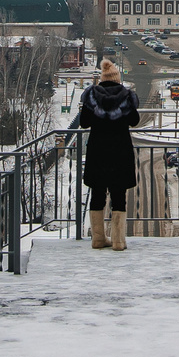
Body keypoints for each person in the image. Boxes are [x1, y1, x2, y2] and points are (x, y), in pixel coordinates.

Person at [73, 57, 141, 250]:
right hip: (120, 152)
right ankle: (118, 241)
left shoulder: (92, 97)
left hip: (98, 152)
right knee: (119, 196)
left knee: (97, 194)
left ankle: (98, 239)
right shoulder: (126, 97)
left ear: (102, 79)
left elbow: (84, 122)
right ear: (118, 79)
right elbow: (134, 120)